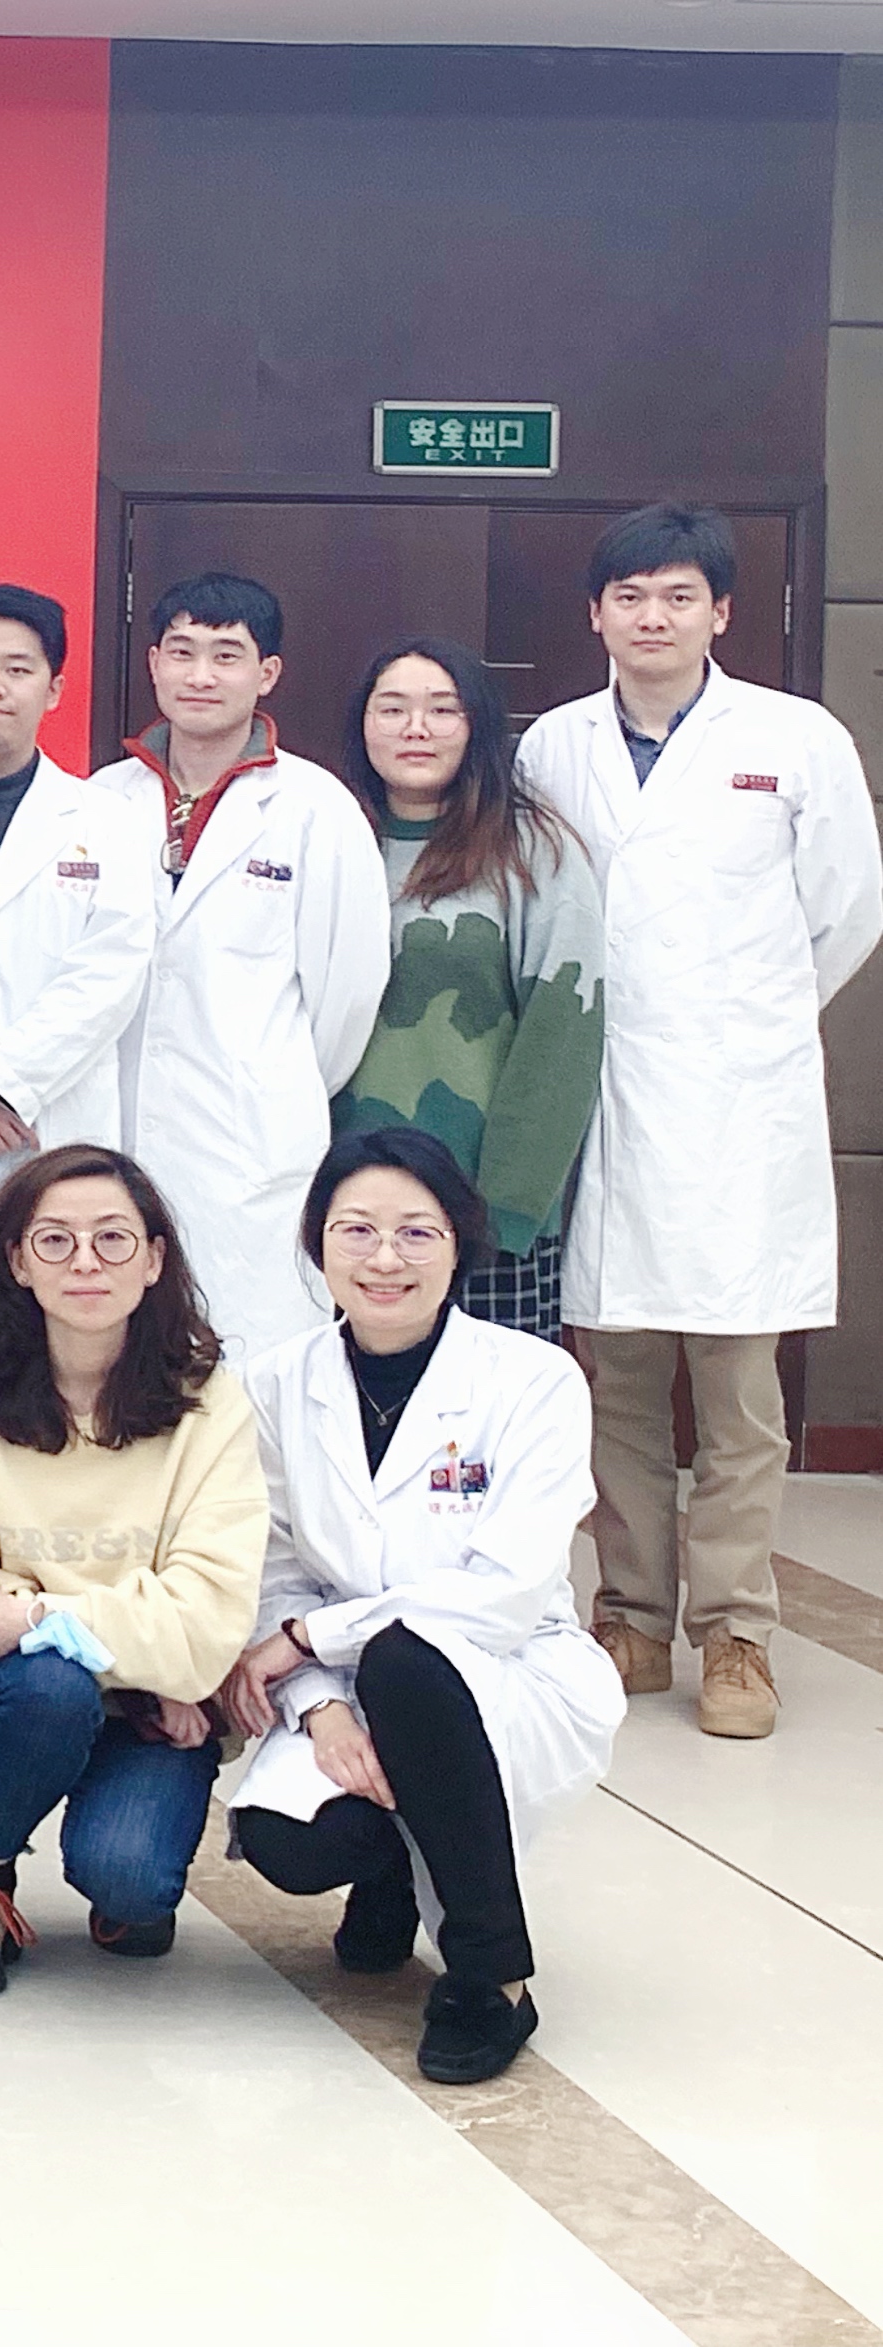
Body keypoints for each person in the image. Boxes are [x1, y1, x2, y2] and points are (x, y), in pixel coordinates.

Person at [519, 503, 882, 1740]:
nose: (654, 617)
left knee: (737, 1392)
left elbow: (845, 909)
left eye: (679, 596)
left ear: (722, 611)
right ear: (596, 614)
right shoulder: (554, 746)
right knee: (616, 1378)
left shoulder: (794, 738)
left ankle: (737, 1633)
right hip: (607, 1098)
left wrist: (746, 1018)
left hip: (739, 1105)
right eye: (630, 596)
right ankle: (630, 1615)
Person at [221, 1130, 621, 2086]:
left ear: (459, 1243)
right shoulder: (272, 1384)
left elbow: (505, 1592)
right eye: (356, 1230)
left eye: (416, 1231)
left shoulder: (534, 1380)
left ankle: (490, 1973)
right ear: (318, 1243)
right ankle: (392, 1870)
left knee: (407, 1659)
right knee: (286, 1838)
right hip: (345, 1677)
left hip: (509, 1665)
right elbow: (274, 1573)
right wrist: (320, 1705)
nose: (385, 1258)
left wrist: (313, 1637)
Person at [0, 1144, 264, 1997]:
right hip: (22, 1694)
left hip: (147, 1714)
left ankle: (119, 1869)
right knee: (52, 1691)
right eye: (55, 1240)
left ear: (154, 1259)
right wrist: (141, 1656)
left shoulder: (209, 1401)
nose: (86, 1261)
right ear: (18, 1261)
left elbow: (209, 1618)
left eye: (113, 1238)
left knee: (130, 1881)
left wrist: (35, 1614)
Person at [105, 574, 390, 1358]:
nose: (201, 675)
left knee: (251, 1359)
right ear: (153, 663)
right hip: (115, 1119)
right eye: (183, 652)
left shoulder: (316, 807)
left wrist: (268, 1079)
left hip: (250, 1137)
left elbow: (346, 996)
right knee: (119, 1355)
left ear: (267, 673)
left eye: (226, 655)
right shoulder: (100, 800)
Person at [0, 584, 160, 1387]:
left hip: (49, 1119)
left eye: (17, 668)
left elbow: (110, 972)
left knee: (53, 1362)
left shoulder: (106, 821)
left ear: (54, 688)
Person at [327, 637, 605, 1344]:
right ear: (363, 724)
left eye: (442, 710)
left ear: (477, 725)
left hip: (483, 1210)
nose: (415, 728)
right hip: (339, 1207)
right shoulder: (325, 835)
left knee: (487, 1408)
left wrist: (507, 1206)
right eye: (393, 708)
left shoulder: (532, 850)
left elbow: (561, 1038)